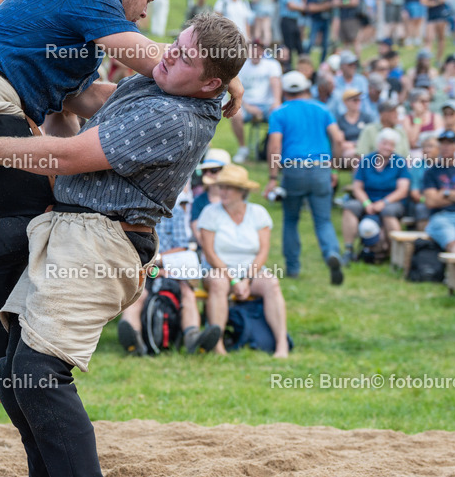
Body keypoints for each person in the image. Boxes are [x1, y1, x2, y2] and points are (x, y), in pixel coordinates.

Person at [0, 12, 246, 477]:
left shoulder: (177, 119)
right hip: (71, 230)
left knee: (40, 373)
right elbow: (95, 99)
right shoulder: (162, 80)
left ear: (209, 84)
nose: (169, 54)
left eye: (186, 57)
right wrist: (53, 77)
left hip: (105, 243)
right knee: (15, 376)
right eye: (176, 43)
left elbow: (69, 155)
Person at [0, 0, 240, 370]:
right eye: (149, 0)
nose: (142, 14)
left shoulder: (77, 28)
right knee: (43, 221)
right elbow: (160, 64)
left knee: (19, 239)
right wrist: (225, 76)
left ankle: (2, 359)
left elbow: (89, 100)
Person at [264, 70, 345, 284]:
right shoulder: (322, 109)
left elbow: (275, 145)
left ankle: (292, 268)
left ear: (284, 91)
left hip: (293, 170)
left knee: (291, 219)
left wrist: (273, 177)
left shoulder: (279, 113)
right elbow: (338, 139)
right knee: (324, 220)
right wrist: (334, 169)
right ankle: (331, 253)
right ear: (306, 89)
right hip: (320, 169)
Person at [199, 164, 288, 357]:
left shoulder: (258, 213)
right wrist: (233, 279)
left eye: (228, 187)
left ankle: (282, 344)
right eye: (221, 187)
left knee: (272, 283)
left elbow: (263, 251)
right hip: (220, 270)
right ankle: (218, 345)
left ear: (242, 191)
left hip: (251, 271)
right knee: (218, 283)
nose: (223, 192)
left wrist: (246, 280)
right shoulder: (210, 212)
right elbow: (209, 253)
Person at [116, 197, 222, 357]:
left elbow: (181, 246)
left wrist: (161, 262)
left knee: (187, 293)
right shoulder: (133, 211)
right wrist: (154, 267)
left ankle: (192, 338)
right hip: (141, 267)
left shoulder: (176, 212)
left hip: (171, 267)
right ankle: (133, 339)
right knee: (138, 294)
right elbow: (129, 248)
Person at [341, 129, 410, 260]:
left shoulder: (400, 162)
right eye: (385, 143)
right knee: (350, 207)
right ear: (379, 144)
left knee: (388, 212)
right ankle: (349, 250)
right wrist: (367, 203)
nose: (387, 147)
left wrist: (383, 203)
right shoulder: (366, 160)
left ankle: (395, 253)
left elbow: (402, 190)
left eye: (391, 145)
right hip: (368, 200)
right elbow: (357, 187)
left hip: (391, 202)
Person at [230, 41, 281, 164]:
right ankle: (243, 148)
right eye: (253, 50)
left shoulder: (271, 65)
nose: (256, 52)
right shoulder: (241, 66)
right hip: (247, 104)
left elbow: (275, 83)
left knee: (280, 115)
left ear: (263, 51)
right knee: (235, 114)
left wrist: (277, 101)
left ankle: (276, 151)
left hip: (268, 104)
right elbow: (237, 88)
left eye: (258, 50)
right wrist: (248, 106)